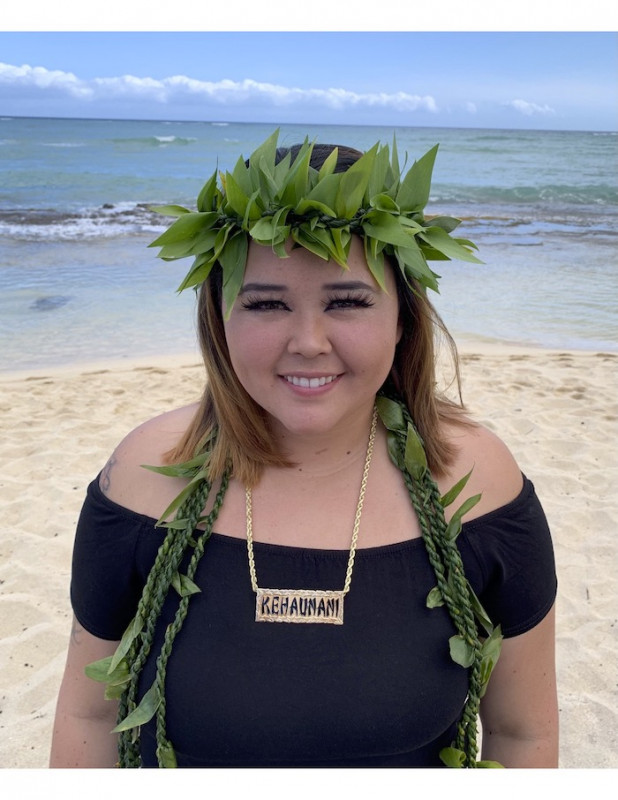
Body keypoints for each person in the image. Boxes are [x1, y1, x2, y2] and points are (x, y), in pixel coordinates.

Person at [49, 131, 558, 768]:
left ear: (402, 318)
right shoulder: (142, 479)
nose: (308, 342)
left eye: (347, 301)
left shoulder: (482, 482)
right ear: (219, 317)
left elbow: (522, 734)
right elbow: (87, 713)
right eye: (265, 303)